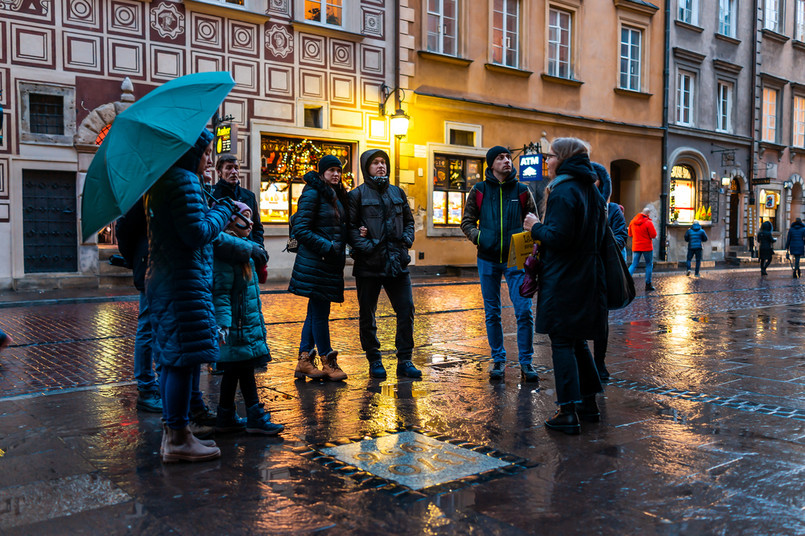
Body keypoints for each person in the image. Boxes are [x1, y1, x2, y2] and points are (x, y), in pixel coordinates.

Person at [146, 128, 236, 463]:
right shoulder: (183, 181)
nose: (209, 158)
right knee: (183, 361)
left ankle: (174, 435)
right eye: (206, 151)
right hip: (182, 283)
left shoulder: (164, 180)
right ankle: (179, 439)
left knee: (172, 359)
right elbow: (197, 233)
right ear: (191, 152)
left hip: (169, 280)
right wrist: (224, 212)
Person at [524, 137, 606, 435]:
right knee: (577, 340)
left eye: (551, 156)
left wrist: (535, 227)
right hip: (586, 275)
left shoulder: (563, 191)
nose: (547, 161)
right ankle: (589, 404)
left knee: (562, 341)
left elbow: (559, 237)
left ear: (564, 158)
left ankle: (567, 410)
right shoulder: (591, 190)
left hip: (564, 277)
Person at [460, 145, 538, 382]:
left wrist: (531, 246)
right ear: (491, 164)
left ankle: (526, 362)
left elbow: (533, 222)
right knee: (492, 312)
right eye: (501, 158)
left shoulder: (523, 190)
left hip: (516, 261)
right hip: (488, 259)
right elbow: (467, 222)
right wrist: (481, 238)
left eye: (508, 157)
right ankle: (498, 359)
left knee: (524, 311)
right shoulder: (479, 190)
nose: (507, 161)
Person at [348, 149, 421, 380]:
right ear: (366, 168)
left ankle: (405, 359)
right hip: (369, 265)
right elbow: (349, 229)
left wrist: (407, 240)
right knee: (367, 313)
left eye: (383, 162)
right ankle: (374, 359)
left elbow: (409, 221)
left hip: (397, 262)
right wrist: (367, 247)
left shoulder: (397, 192)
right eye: (375, 163)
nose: (381, 166)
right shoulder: (357, 195)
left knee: (406, 309)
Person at [212, 201, 284, 435]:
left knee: (236, 370)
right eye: (245, 216)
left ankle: (225, 415)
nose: (251, 222)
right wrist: (224, 323)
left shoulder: (245, 248)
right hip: (237, 325)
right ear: (231, 220)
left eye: (252, 217)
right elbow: (221, 292)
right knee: (243, 368)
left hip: (245, 323)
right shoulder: (227, 252)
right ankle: (253, 413)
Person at [289, 155, 350, 382]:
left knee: (314, 311)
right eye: (331, 170)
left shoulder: (335, 195)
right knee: (320, 313)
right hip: (317, 262)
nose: (336, 174)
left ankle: (304, 361)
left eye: (339, 170)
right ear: (322, 172)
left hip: (327, 263)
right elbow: (301, 229)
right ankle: (327, 360)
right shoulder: (313, 192)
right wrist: (328, 247)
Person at [212, 154, 271, 366]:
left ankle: (250, 352)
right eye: (229, 168)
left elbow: (258, 227)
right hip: (227, 259)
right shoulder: (213, 195)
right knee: (226, 305)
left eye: (236, 167)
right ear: (220, 171)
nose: (234, 171)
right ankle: (222, 357)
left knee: (249, 306)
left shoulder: (248, 195)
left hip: (250, 259)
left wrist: (259, 249)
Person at [116, 199, 162, 413]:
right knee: (147, 327)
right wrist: (137, 259)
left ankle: (160, 385)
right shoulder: (144, 194)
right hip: (150, 266)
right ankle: (146, 387)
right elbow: (124, 230)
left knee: (162, 327)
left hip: (164, 265)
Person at [591, 162, 627, 382]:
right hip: (579, 272)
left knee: (600, 319)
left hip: (602, 270)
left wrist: (605, 243)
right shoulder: (579, 204)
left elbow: (622, 236)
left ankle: (599, 362)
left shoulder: (611, 209)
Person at [628, 206, 658, 291]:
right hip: (647, 247)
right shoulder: (648, 222)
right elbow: (653, 235)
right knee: (649, 264)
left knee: (634, 264)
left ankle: (625, 281)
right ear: (648, 214)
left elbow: (630, 234)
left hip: (636, 246)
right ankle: (648, 285)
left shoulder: (633, 222)